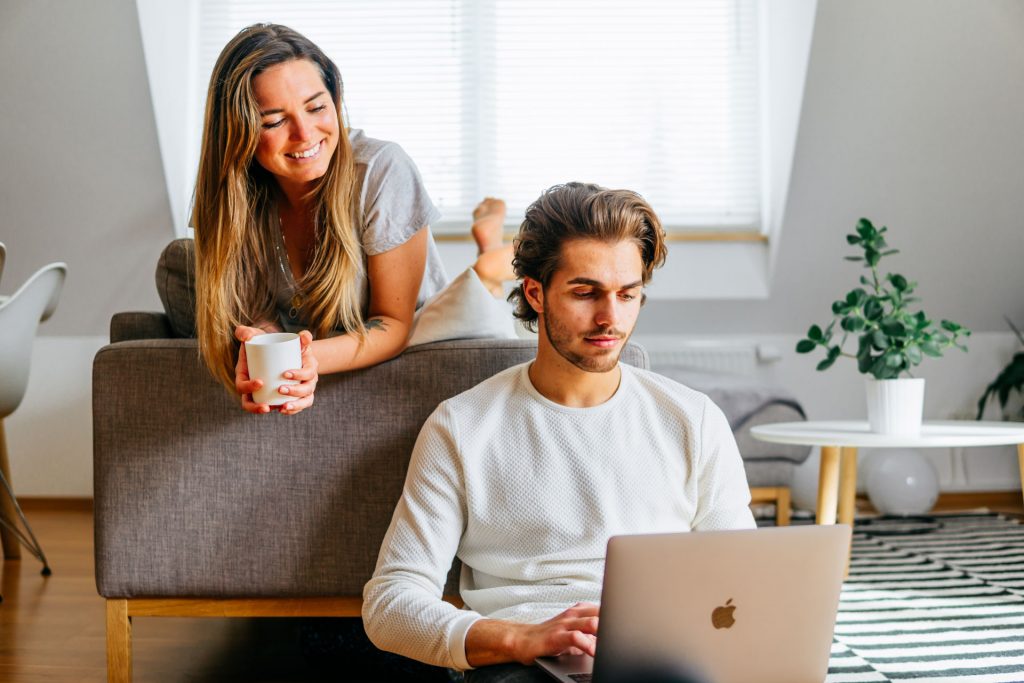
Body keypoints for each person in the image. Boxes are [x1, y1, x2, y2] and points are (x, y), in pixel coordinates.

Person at [362, 182, 756, 682]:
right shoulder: (462, 427)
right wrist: (516, 638)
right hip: (525, 665)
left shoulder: (691, 418)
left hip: (663, 659)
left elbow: (743, 580)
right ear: (535, 293)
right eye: (585, 292)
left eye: (627, 294)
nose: (610, 318)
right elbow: (391, 603)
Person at [190, 23, 515, 416]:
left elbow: (393, 326)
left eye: (316, 107)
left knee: (488, 277)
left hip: (423, 324)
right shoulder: (233, 198)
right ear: (237, 132)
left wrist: (302, 361)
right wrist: (262, 341)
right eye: (274, 121)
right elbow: (251, 307)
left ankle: (491, 244)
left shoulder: (380, 170)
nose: (305, 134)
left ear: (335, 99)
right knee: (178, 263)